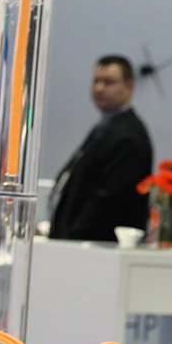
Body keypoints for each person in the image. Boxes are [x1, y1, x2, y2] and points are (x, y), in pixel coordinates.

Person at [49, 55, 153, 242]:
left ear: (129, 87)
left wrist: (74, 238)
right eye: (96, 81)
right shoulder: (107, 127)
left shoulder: (127, 135)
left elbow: (107, 202)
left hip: (97, 246)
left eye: (109, 82)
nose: (99, 88)